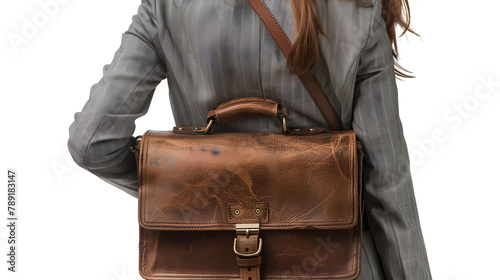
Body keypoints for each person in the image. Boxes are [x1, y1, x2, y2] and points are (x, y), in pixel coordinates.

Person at [68, 0, 432, 279]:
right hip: (337, 263)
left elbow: (92, 142)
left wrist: (187, 196)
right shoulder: (356, 7)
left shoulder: (167, 6)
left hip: (210, 264)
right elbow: (388, 183)